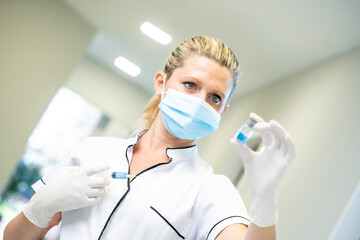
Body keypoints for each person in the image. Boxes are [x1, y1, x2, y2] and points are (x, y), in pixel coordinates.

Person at [4, 35, 295, 240]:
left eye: (215, 97)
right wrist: (40, 207)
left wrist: (265, 200)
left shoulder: (210, 189)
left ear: (223, 110)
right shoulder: (91, 151)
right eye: (190, 85)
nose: (200, 102)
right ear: (162, 83)